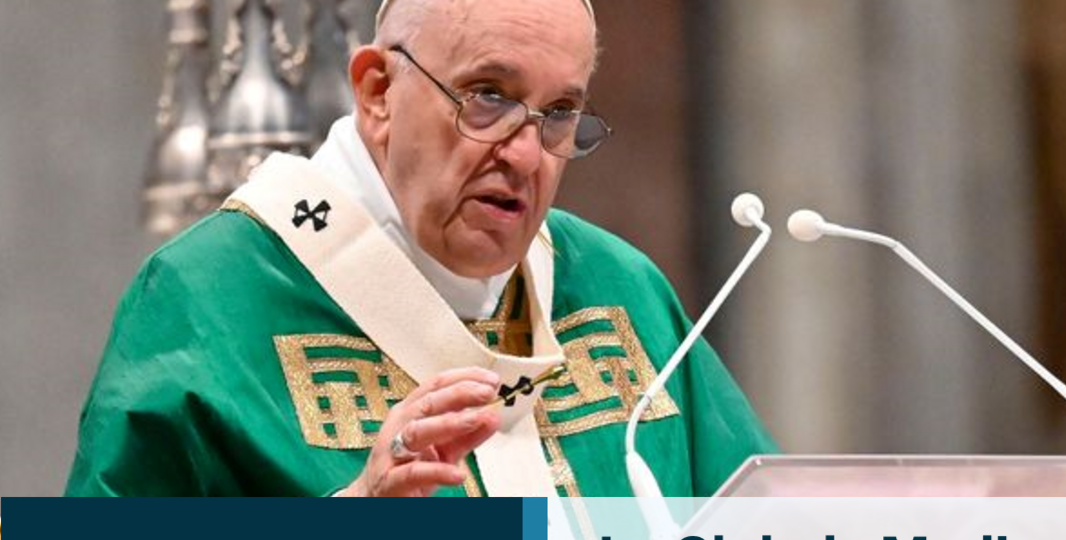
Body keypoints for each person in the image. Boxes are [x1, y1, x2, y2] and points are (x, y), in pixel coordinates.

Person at [65, 0, 775, 498]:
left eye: (560, 114)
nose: (526, 155)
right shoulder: (209, 300)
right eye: (488, 96)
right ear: (378, 92)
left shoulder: (619, 288)